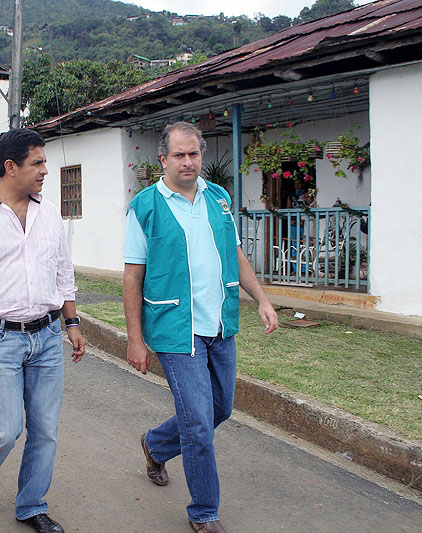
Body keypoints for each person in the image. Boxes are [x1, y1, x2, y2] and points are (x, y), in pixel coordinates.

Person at [124, 122, 279, 533]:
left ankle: (156, 444)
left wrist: (261, 299)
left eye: (194, 154)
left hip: (220, 322)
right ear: (163, 159)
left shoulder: (219, 198)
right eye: (179, 154)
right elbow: (133, 276)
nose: (188, 162)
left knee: (219, 409)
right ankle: (204, 513)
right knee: (197, 424)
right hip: (176, 329)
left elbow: (236, 254)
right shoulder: (145, 207)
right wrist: (135, 339)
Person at [0, 128, 86, 533]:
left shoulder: (50, 213)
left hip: (47, 337)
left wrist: (72, 322)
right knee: (4, 430)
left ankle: (31, 505)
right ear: (11, 167)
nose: (45, 170)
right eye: (37, 163)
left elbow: (63, 272)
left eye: (45, 162)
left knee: (45, 430)